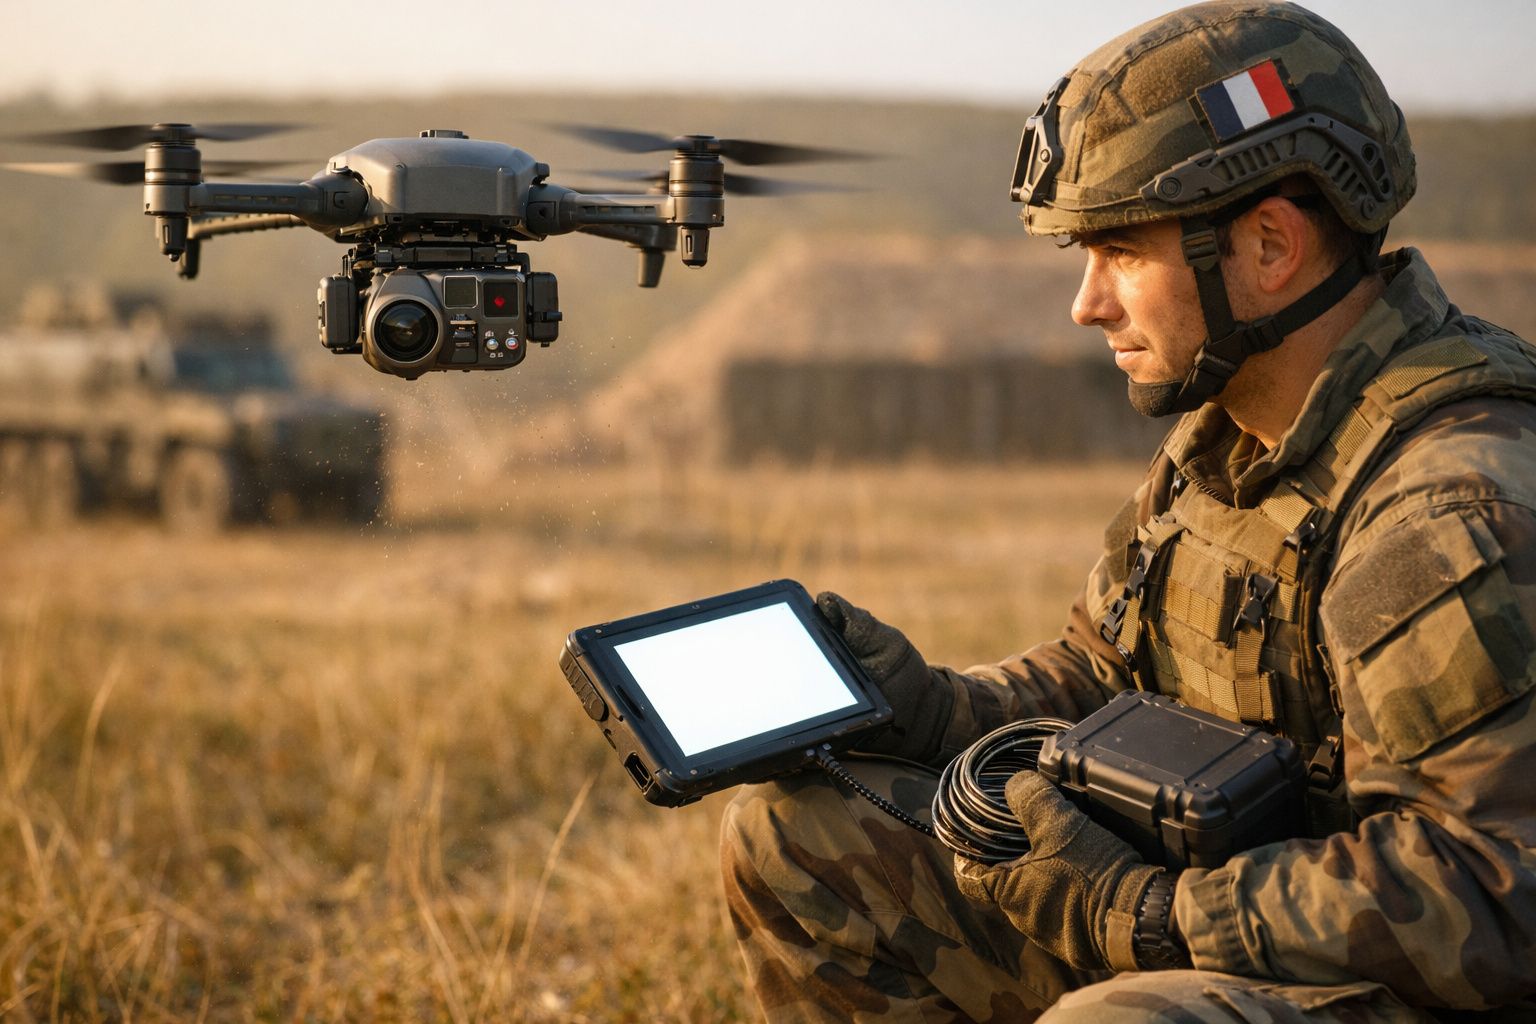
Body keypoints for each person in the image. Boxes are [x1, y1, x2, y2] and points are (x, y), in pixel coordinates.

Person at [719, 2, 1536, 1020]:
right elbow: (1104, 680)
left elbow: (1498, 894)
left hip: (1419, 982)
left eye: (1123, 253)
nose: (1088, 303)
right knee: (801, 835)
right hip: (1220, 921)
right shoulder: (1231, 441)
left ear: (1270, 246)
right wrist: (930, 709)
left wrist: (1153, 916)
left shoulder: (1448, 506)